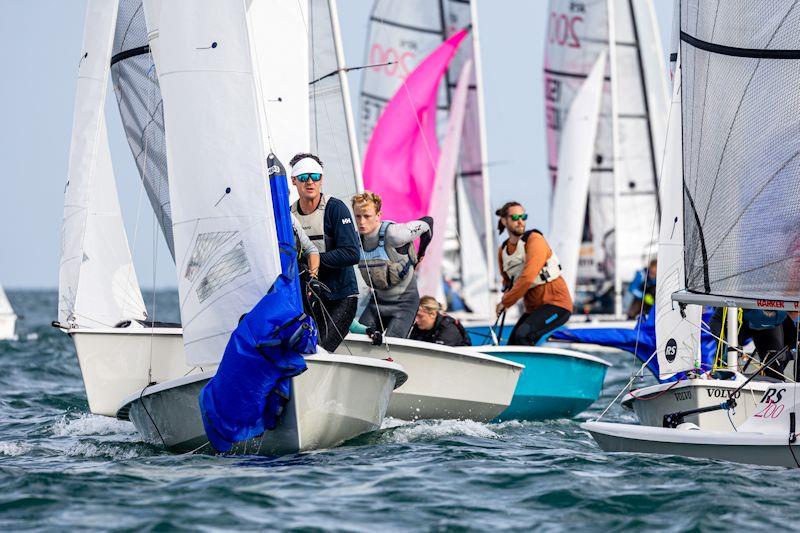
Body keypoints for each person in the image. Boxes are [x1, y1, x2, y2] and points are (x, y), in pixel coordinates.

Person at [289, 153, 360, 352]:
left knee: (320, 349)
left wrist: (312, 259)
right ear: (294, 181)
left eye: (315, 177)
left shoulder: (335, 209)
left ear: (322, 179)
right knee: (304, 349)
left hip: (341, 297)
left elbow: (352, 253)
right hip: (311, 300)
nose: (310, 182)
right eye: (303, 177)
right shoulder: (290, 215)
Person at [352, 191, 433, 338]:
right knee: (359, 340)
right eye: (358, 216)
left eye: (367, 216)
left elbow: (428, 222)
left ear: (378, 215)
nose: (362, 222)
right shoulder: (353, 240)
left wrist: (420, 254)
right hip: (376, 303)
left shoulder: (395, 235)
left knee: (392, 345)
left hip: (404, 304)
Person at [495, 201, 572, 345]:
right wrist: (506, 294)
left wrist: (505, 302)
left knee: (523, 335)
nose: (520, 221)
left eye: (523, 217)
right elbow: (507, 282)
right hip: (533, 309)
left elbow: (527, 277)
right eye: (515, 218)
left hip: (557, 305)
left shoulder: (534, 240)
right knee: (512, 345)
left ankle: (531, 368)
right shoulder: (502, 251)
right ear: (504, 221)